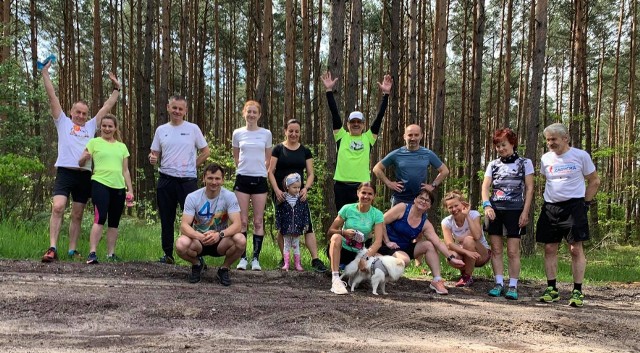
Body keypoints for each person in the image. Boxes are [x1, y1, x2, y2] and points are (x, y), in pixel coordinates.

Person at [41, 61, 121, 262]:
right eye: (78, 112)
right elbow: (52, 96)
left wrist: (116, 88)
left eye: (84, 113)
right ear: (71, 112)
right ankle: (52, 247)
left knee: (77, 214)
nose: (81, 116)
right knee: (58, 207)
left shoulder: (92, 126)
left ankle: (72, 249)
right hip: (65, 173)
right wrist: (45, 74)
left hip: (85, 174)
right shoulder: (62, 122)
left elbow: (108, 106)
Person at [536, 123, 600, 307]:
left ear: (566, 138)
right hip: (550, 208)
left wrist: (585, 204)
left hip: (574, 207)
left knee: (575, 249)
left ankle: (577, 291)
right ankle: (552, 289)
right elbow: (547, 182)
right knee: (549, 248)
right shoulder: (546, 158)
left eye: (553, 139)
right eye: (548, 140)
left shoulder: (581, 156)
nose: (550, 143)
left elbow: (595, 181)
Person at [149, 96, 210, 264]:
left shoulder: (193, 128)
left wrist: (192, 165)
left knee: (193, 220)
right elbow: (154, 154)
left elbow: (206, 151)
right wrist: (152, 159)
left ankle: (197, 254)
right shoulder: (161, 130)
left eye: (180, 109)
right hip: (166, 180)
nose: (177, 111)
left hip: (187, 181)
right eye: (174, 108)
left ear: (185, 111)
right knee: (166, 218)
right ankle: (168, 255)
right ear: (168, 108)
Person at [320, 71, 393, 211]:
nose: (355, 124)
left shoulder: (368, 138)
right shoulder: (341, 136)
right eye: (352, 122)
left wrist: (386, 95)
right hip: (341, 185)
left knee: (361, 218)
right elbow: (334, 113)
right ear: (347, 124)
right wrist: (329, 90)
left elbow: (379, 118)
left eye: (359, 122)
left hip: (362, 186)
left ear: (364, 125)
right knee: (343, 218)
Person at [267, 118, 327, 272]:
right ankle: (284, 259)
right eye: (291, 131)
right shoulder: (278, 149)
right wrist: (277, 191)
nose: (293, 134)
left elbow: (311, 173)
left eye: (297, 131)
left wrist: (305, 188)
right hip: (281, 196)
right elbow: (270, 172)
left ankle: (315, 260)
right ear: (285, 131)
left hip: (299, 195)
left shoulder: (305, 151)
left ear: (300, 133)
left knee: (307, 227)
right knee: (283, 227)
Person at [481, 128, 534, 300]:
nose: (501, 148)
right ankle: (498, 283)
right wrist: (487, 206)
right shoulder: (493, 164)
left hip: (515, 211)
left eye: (503, 144)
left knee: (512, 251)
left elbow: (530, 188)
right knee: (496, 249)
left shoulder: (525, 162)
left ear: (512, 143)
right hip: (495, 210)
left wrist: (525, 212)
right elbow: (485, 187)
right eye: (497, 146)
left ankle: (513, 285)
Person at [380, 189, 465, 295]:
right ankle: (377, 267)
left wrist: (451, 258)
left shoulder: (425, 223)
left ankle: (437, 281)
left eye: (427, 200)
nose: (423, 201)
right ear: (415, 199)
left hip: (405, 248)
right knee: (404, 260)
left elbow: (437, 242)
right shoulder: (402, 208)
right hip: (386, 245)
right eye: (421, 198)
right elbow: (381, 221)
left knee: (429, 245)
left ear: (429, 206)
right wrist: (387, 241)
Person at [175, 163, 246, 286]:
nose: (214, 182)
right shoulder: (193, 197)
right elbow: (184, 226)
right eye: (210, 178)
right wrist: (199, 236)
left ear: (222, 180)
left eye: (217, 178)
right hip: (199, 241)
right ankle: (197, 264)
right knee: (181, 244)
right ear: (203, 178)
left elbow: (237, 225)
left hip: (221, 240)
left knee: (241, 240)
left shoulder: (230, 196)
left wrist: (220, 234)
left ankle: (224, 268)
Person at [78, 114, 133, 264]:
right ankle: (92, 253)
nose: (107, 129)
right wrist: (84, 157)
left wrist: (130, 190)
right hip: (100, 183)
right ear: (100, 127)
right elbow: (80, 163)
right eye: (104, 126)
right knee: (100, 217)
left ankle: (111, 254)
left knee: (114, 222)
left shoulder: (122, 147)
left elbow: (125, 170)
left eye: (110, 126)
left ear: (115, 128)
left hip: (119, 187)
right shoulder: (94, 142)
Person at [233, 100, 272, 271]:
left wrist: (260, 170)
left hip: (259, 180)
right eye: (249, 112)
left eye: (254, 112)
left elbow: (268, 158)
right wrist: (243, 168)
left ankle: (255, 259)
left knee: (257, 221)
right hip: (242, 179)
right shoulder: (237, 133)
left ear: (259, 115)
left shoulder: (266, 133)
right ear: (244, 113)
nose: (251, 115)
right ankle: (242, 258)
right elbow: (236, 156)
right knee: (242, 221)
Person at [326, 182, 384, 295]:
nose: (366, 196)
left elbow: (378, 242)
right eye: (363, 193)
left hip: (359, 253)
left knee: (381, 260)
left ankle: (354, 276)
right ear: (358, 193)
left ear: (374, 196)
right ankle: (336, 278)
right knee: (336, 237)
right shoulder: (347, 209)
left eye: (369, 194)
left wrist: (365, 258)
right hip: (342, 249)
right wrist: (343, 232)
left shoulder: (377, 214)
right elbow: (330, 231)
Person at [373, 124, 449, 205]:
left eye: (416, 135)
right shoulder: (396, 154)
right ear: (405, 136)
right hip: (399, 199)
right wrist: (388, 183)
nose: (413, 138)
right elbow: (376, 168)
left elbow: (445, 171)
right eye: (410, 135)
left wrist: (433, 185)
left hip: (420, 200)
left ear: (421, 136)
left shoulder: (428, 154)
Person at [441, 190, 491, 287]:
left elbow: (477, 236)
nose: (454, 209)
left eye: (456, 205)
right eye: (450, 207)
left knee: (468, 240)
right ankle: (464, 273)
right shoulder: (446, 222)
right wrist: (466, 252)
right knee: (451, 256)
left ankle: (467, 276)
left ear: (462, 204)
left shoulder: (474, 214)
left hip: (481, 254)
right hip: (466, 252)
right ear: (446, 209)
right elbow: (449, 244)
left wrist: (466, 215)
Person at [275, 173, 309, 271]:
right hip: (286, 226)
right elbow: (278, 212)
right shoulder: (283, 199)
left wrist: (305, 224)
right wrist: (278, 224)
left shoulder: (301, 199)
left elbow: (305, 212)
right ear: (288, 187)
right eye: (294, 187)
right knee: (286, 245)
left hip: (297, 227)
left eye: (299, 187)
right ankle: (286, 264)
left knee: (296, 245)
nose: (297, 190)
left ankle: (297, 264)